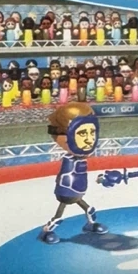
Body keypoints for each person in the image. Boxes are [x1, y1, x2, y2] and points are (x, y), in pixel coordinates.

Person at [39, 100, 109, 244]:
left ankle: (91, 224)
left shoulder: (81, 158)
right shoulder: (69, 160)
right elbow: (64, 177)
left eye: (92, 132)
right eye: (82, 133)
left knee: (89, 209)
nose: (89, 140)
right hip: (67, 192)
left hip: (78, 190)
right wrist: (65, 188)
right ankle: (47, 231)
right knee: (59, 216)